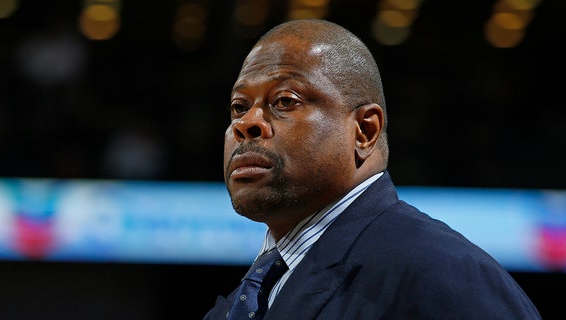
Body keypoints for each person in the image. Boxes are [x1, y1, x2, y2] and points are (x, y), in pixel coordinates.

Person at [203, 19, 541, 319]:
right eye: (239, 106)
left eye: (285, 101)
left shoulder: (445, 274)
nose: (246, 123)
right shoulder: (240, 303)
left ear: (365, 130)